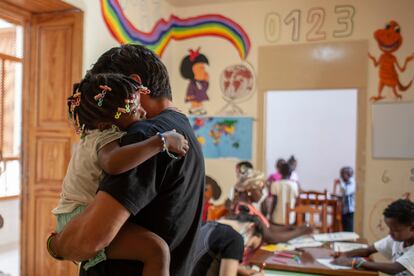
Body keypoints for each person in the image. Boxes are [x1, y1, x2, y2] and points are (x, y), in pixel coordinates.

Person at [48, 44, 205, 276]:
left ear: (135, 86)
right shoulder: (182, 130)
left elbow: (90, 239)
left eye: (107, 94)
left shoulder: (147, 136)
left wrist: (55, 245)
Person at [332, 199, 414, 276]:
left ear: (412, 228)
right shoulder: (397, 239)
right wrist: (344, 255)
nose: (390, 233)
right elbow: (367, 250)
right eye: (390, 228)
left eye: (395, 230)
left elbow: (394, 268)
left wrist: (356, 262)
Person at [231, 169, 311, 244]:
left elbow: (267, 226)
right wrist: (300, 232)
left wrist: (290, 228)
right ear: (249, 190)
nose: (262, 193)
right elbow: (271, 237)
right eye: (260, 190)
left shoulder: (248, 206)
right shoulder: (244, 210)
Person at [191, 207, 264, 276]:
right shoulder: (235, 239)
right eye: (251, 245)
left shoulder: (204, 225)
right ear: (252, 227)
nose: (246, 249)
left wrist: (236, 268)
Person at [180, 48, 209, 115]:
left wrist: (206, 82)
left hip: (199, 97)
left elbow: (204, 89)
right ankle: (194, 110)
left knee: (199, 103)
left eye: (203, 68)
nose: (204, 71)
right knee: (195, 103)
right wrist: (190, 96)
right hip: (194, 98)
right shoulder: (192, 84)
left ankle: (199, 110)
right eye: (201, 68)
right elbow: (191, 90)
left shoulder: (201, 83)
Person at [333, 166, 356, 231]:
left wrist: (341, 183)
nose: (343, 175)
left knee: (349, 226)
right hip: (344, 209)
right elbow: (341, 193)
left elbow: (347, 192)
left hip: (350, 209)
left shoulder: (352, 182)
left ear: (349, 174)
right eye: (342, 174)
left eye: (344, 174)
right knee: (344, 226)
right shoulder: (344, 183)